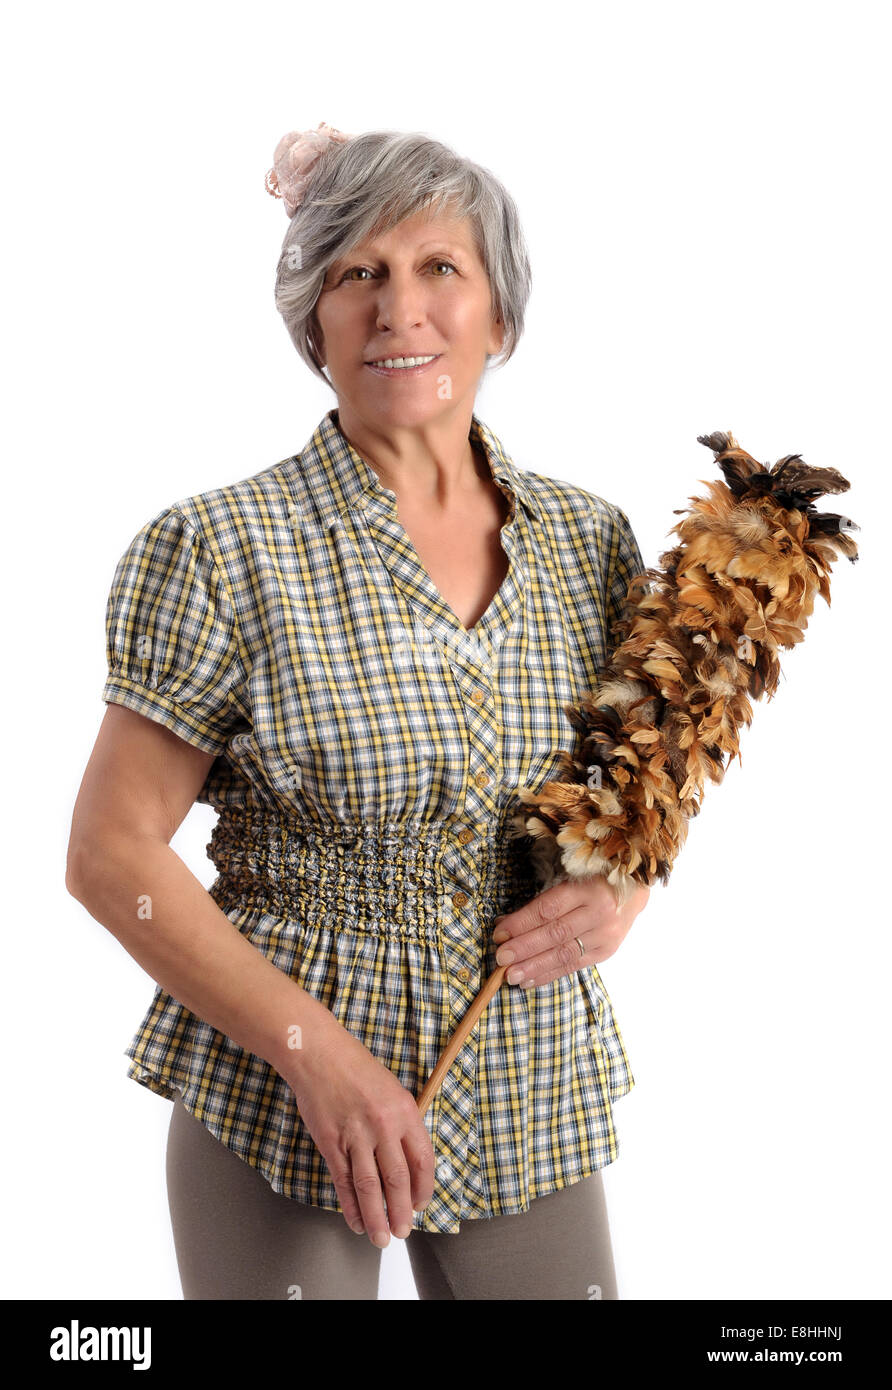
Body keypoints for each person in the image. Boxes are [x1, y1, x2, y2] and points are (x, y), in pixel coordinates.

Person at [65, 124, 651, 1301]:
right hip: (281, 1092)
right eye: (357, 274)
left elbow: (641, 785)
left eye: (441, 267)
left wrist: (622, 888)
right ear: (313, 321)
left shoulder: (591, 544)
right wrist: (314, 1056)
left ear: (501, 313)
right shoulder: (221, 549)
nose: (401, 309)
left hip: (526, 1059)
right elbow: (107, 854)